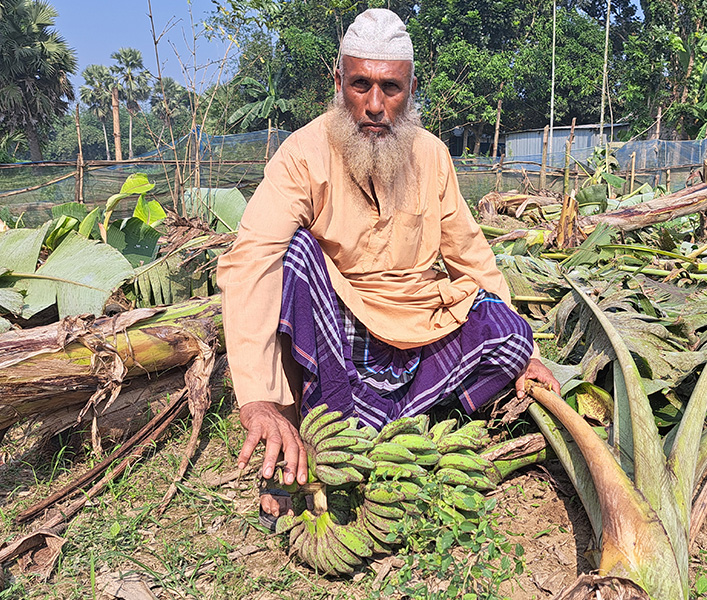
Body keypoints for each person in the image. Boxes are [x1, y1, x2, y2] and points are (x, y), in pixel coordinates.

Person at [216, 8, 560, 520]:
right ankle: (303, 428)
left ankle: (397, 420)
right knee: (296, 254)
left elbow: (470, 255)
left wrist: (529, 354)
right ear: (339, 83)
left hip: (416, 329)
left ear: (411, 89)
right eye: (361, 85)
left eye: (391, 88)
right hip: (339, 333)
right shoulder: (302, 155)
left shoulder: (433, 156)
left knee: (508, 331)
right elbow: (252, 259)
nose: (374, 105)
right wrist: (260, 399)